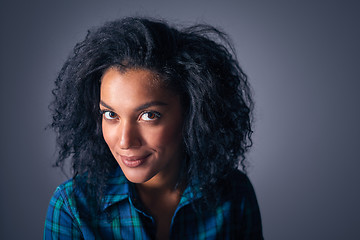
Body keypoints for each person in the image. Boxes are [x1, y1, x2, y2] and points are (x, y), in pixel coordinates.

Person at [44, 17, 263, 239]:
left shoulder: (233, 194)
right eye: (111, 115)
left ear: (191, 114)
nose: (125, 141)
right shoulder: (73, 207)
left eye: (148, 116)